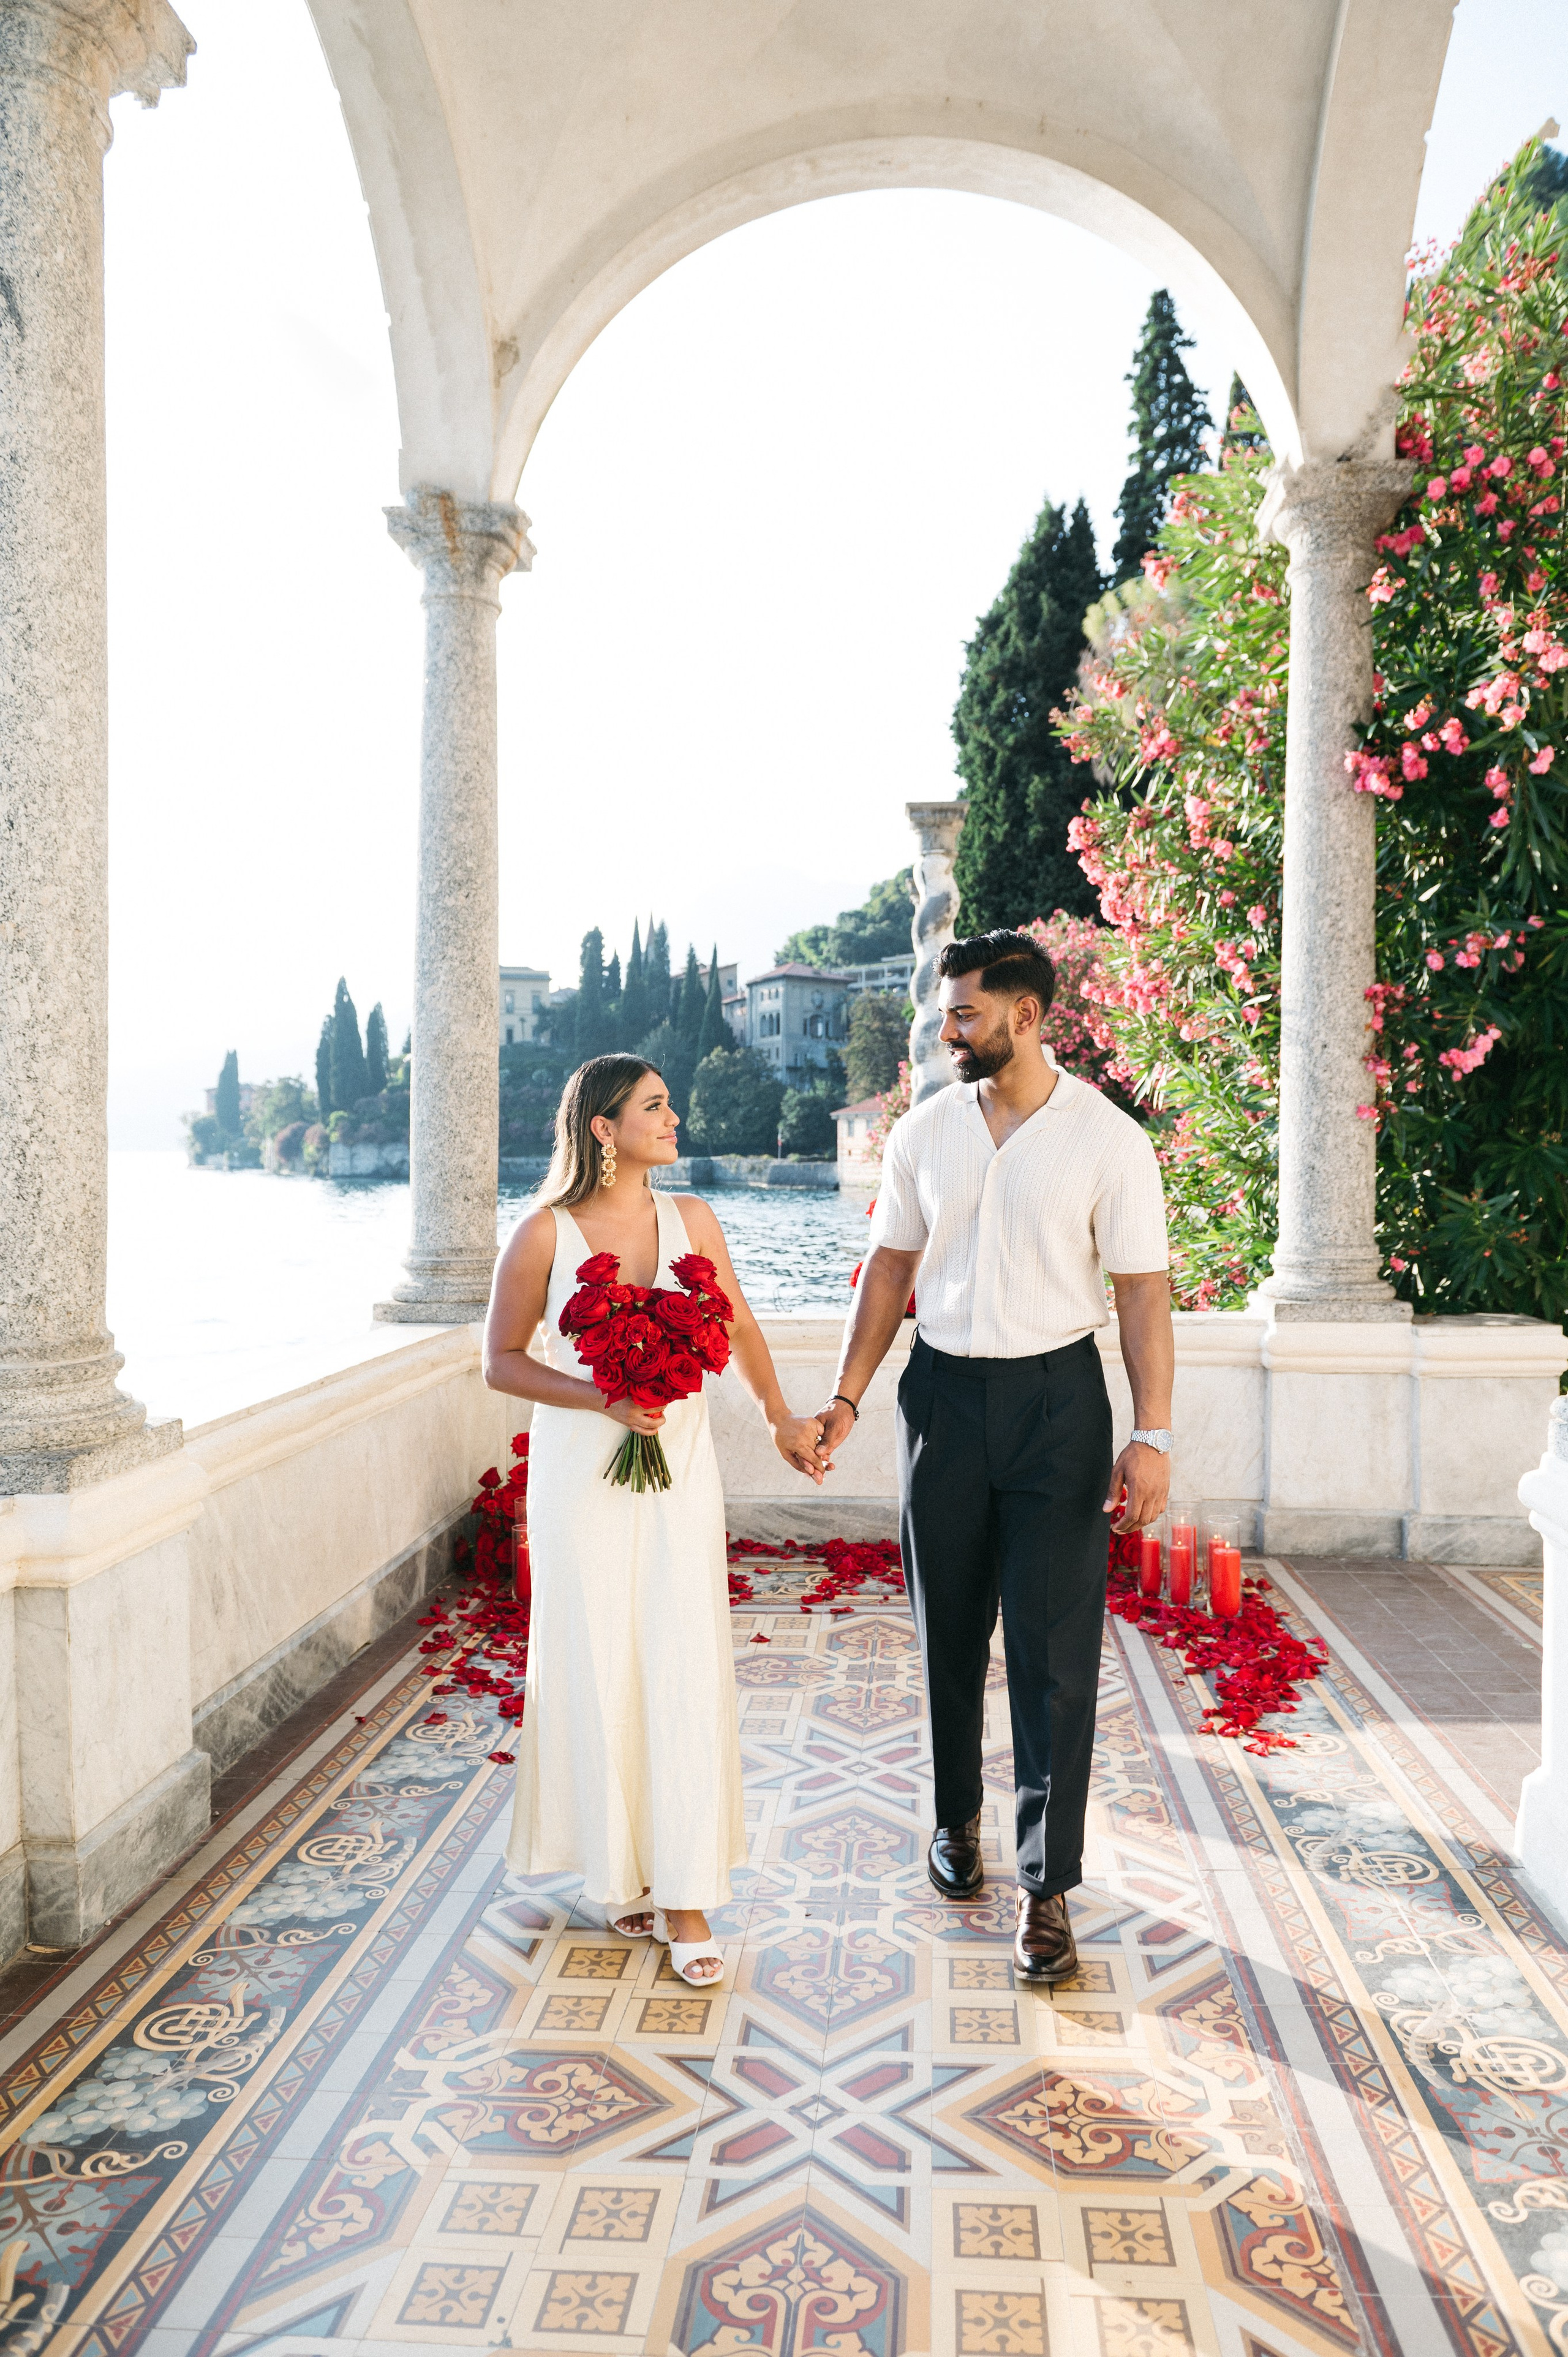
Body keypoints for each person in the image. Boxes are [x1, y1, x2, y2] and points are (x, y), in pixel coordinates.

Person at [813, 931, 1173, 1985]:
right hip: (941, 1398)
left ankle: (1047, 1889)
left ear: (1025, 1015)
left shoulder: (1109, 1141)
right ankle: (955, 1820)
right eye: (945, 1013)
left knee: (1056, 1657)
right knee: (948, 1633)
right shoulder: (924, 1134)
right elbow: (889, 1271)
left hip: (1060, 1404)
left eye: (963, 1013)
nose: (946, 1029)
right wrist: (845, 1397)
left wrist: (1150, 1435)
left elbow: (1142, 1294)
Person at [484, 1054, 826, 1986]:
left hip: (677, 1467)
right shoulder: (543, 1235)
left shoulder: (694, 1220)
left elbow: (743, 1329)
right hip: (581, 1470)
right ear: (603, 1128)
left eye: (670, 1104)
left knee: (677, 1655)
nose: (674, 1118)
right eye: (654, 1106)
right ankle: (622, 1871)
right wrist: (603, 1394)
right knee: (598, 1656)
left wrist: (779, 1417)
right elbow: (503, 1362)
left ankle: (684, 1894)